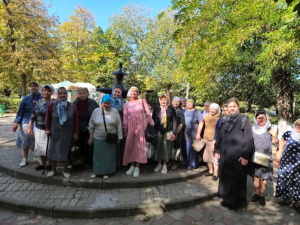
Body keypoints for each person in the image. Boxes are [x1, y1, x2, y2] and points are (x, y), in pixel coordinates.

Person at [214, 97, 253, 210]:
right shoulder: (224, 120)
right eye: (230, 106)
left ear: (238, 107)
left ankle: (233, 204)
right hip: (225, 155)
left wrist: (246, 156)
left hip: (238, 157)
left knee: (235, 182)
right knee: (225, 179)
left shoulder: (244, 120)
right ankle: (225, 199)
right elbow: (220, 136)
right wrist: (217, 150)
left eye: (234, 106)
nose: (232, 108)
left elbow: (248, 140)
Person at [45, 87, 79, 178]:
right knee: (53, 151)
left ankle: (65, 170)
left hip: (68, 133)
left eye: (64, 93)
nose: (62, 95)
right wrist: (48, 129)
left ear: (67, 94)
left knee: (66, 152)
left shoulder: (72, 106)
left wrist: (76, 132)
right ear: (57, 94)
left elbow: (76, 120)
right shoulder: (52, 105)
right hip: (55, 132)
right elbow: (48, 118)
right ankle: (53, 169)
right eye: (60, 93)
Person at [88, 94, 123, 179]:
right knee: (97, 156)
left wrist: (119, 137)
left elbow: (119, 125)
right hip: (98, 138)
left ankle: (106, 171)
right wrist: (90, 137)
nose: (106, 105)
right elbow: (91, 125)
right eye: (104, 103)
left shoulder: (114, 111)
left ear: (111, 103)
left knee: (108, 157)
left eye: (108, 103)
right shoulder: (96, 111)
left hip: (110, 139)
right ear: (101, 103)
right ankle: (97, 171)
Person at [122, 87, 154, 178]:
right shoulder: (126, 105)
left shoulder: (142, 101)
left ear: (137, 93)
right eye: (132, 91)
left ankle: (137, 167)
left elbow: (148, 113)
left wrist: (151, 123)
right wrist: (125, 129)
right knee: (132, 146)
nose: (134, 93)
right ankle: (132, 165)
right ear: (129, 93)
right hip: (131, 128)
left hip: (140, 127)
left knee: (140, 147)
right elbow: (125, 118)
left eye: (135, 91)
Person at [250, 110, 278, 206]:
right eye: (259, 118)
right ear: (256, 119)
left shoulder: (270, 129)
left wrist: (274, 136)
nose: (261, 120)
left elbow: (276, 143)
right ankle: (256, 194)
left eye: (263, 118)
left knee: (264, 179)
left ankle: (262, 196)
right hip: (254, 157)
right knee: (256, 177)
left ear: (266, 118)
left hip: (266, 158)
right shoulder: (252, 129)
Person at [12, 82, 42, 167]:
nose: (33, 88)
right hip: (25, 122)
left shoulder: (42, 98)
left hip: (38, 123)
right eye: (31, 86)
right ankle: (24, 159)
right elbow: (20, 112)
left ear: (38, 88)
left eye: (35, 86)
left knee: (37, 141)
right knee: (25, 142)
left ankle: (36, 156)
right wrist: (16, 123)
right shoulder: (25, 99)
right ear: (29, 88)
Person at [275, 119, 300, 214]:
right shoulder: (288, 134)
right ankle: (286, 199)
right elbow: (280, 146)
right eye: (298, 125)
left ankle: (297, 203)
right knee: (285, 180)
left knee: (297, 183)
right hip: (286, 163)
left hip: (298, 165)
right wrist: (278, 158)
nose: (299, 127)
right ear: (295, 125)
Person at [28, 84, 54, 170]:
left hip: (50, 128)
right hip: (39, 128)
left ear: (51, 92)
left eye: (48, 90)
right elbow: (33, 115)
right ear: (42, 92)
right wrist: (29, 126)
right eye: (44, 90)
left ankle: (49, 163)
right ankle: (41, 163)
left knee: (49, 146)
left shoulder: (54, 103)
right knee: (39, 145)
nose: (46, 92)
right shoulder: (37, 102)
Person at [72, 87, 99, 169]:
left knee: (88, 144)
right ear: (78, 94)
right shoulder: (75, 103)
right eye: (80, 93)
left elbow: (97, 113)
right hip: (79, 125)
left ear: (88, 94)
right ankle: (78, 162)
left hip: (89, 125)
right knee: (78, 144)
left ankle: (86, 161)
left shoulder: (92, 102)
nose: (82, 95)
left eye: (84, 93)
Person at [152, 94, 177, 174]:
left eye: (165, 100)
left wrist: (174, 132)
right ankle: (159, 164)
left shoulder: (171, 108)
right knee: (159, 148)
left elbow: (174, 121)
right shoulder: (157, 108)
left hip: (168, 131)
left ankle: (165, 165)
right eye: (162, 100)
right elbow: (153, 120)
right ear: (160, 100)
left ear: (167, 100)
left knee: (166, 148)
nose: (163, 101)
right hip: (159, 131)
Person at [197, 103, 222, 181]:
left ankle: (215, 173)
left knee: (215, 158)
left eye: (214, 109)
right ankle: (210, 171)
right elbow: (201, 124)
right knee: (207, 156)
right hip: (206, 139)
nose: (212, 110)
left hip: (215, 141)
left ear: (217, 110)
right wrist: (198, 134)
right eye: (211, 109)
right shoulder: (206, 116)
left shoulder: (220, 118)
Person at [184, 99, 203, 170]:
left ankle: (192, 164)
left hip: (194, 134)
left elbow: (201, 123)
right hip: (186, 134)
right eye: (187, 103)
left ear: (193, 104)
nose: (189, 104)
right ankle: (188, 163)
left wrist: (198, 133)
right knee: (187, 149)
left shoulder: (197, 112)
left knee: (193, 149)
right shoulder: (184, 111)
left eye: (190, 103)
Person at [111, 85, 125, 167]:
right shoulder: (110, 99)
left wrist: (112, 108)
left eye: (118, 92)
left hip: (119, 123)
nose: (117, 93)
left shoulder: (123, 101)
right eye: (115, 91)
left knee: (118, 144)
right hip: (110, 124)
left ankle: (117, 163)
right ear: (113, 91)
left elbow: (122, 109)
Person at [170, 96, 185, 170]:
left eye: (177, 102)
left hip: (177, 133)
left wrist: (175, 133)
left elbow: (181, 123)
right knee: (171, 147)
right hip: (170, 132)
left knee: (176, 148)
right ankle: (170, 162)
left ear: (179, 103)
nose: (175, 103)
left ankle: (175, 163)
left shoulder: (180, 111)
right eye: (174, 101)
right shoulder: (169, 109)